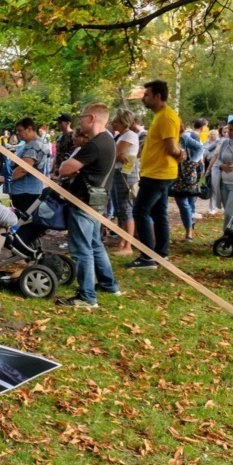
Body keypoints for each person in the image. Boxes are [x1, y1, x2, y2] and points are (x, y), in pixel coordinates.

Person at [56, 103, 120, 308]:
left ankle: (87, 296)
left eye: (82, 117)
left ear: (92, 118)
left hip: (83, 202)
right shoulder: (108, 140)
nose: (80, 122)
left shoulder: (94, 144)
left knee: (81, 249)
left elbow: (64, 169)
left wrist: (70, 167)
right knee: (95, 244)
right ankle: (109, 285)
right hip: (97, 201)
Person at [127, 80, 185, 269]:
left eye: (146, 95)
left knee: (140, 211)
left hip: (158, 174)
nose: (143, 98)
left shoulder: (166, 117)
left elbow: (171, 148)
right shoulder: (161, 116)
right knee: (159, 213)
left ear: (158, 96)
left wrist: (180, 153)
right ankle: (161, 254)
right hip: (157, 173)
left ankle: (147, 257)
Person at [0, 117, 51, 212]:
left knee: (22, 219)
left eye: (20, 130)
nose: (17, 133)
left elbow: (24, 169)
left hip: (25, 193)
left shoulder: (35, 145)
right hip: (23, 192)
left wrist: (5, 178)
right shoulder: (30, 144)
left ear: (30, 129)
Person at [109, 109, 140, 255]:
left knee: (126, 208)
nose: (113, 123)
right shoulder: (121, 136)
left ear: (123, 123)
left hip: (125, 175)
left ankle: (128, 246)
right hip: (118, 173)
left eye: (116, 121)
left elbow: (112, 153)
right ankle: (121, 242)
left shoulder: (129, 135)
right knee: (119, 209)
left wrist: (116, 155)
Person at [206, 117, 233, 233]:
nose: (228, 132)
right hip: (223, 183)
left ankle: (226, 236)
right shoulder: (225, 143)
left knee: (229, 213)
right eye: (228, 130)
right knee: (230, 212)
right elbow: (218, 160)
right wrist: (221, 166)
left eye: (232, 130)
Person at [173, 120, 206, 240]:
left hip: (181, 174)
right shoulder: (163, 136)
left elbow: (201, 148)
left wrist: (192, 163)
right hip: (165, 172)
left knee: (183, 203)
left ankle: (189, 232)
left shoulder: (184, 137)